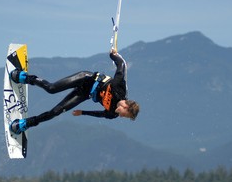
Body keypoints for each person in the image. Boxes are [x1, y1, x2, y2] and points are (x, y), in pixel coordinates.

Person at [9, 49, 140, 134]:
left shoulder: (113, 114)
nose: (122, 117)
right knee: (51, 88)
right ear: (126, 106)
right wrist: (113, 55)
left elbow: (100, 114)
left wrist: (83, 112)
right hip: (85, 78)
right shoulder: (119, 89)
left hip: (85, 93)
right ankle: (25, 77)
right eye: (125, 115)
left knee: (55, 112)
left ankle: (26, 123)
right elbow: (121, 66)